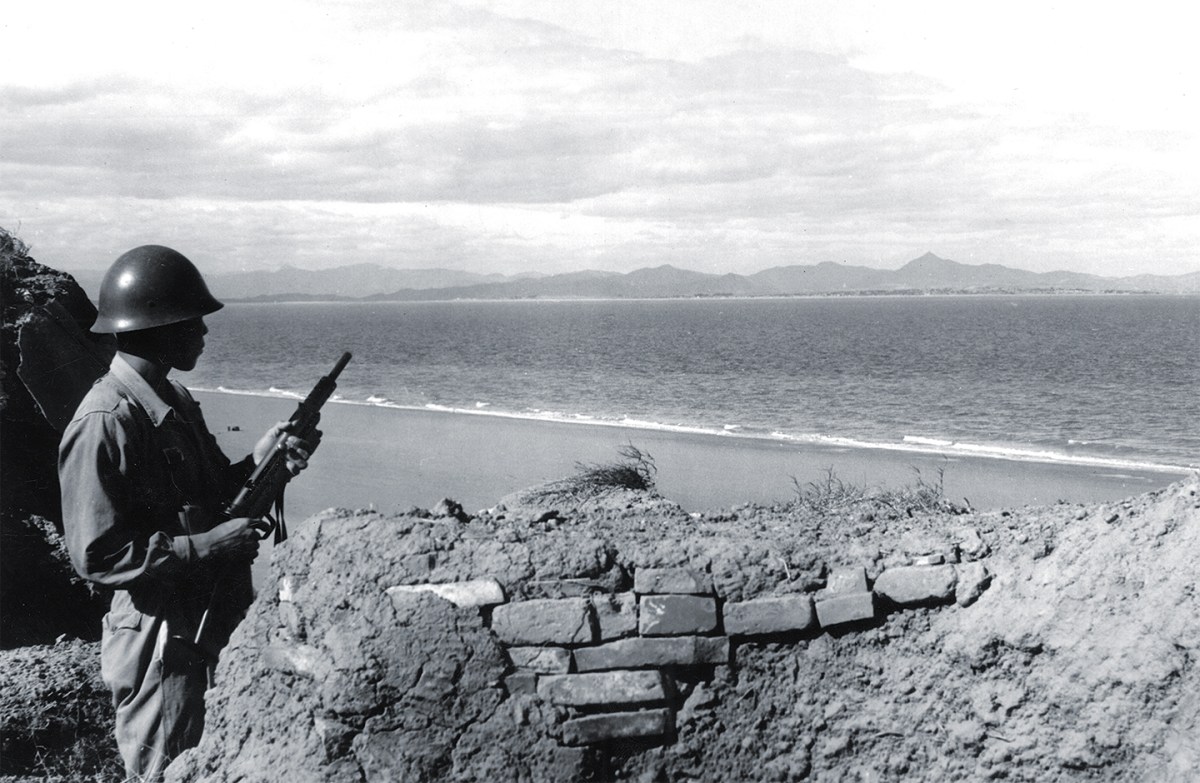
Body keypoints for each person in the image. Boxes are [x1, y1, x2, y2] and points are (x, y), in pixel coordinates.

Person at [58, 245, 317, 781]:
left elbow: (212, 495)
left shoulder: (170, 398)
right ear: (158, 325)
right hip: (160, 638)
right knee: (165, 768)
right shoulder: (105, 421)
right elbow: (96, 553)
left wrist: (264, 461)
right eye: (192, 320)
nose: (203, 331)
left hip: (210, 616)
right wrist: (208, 546)